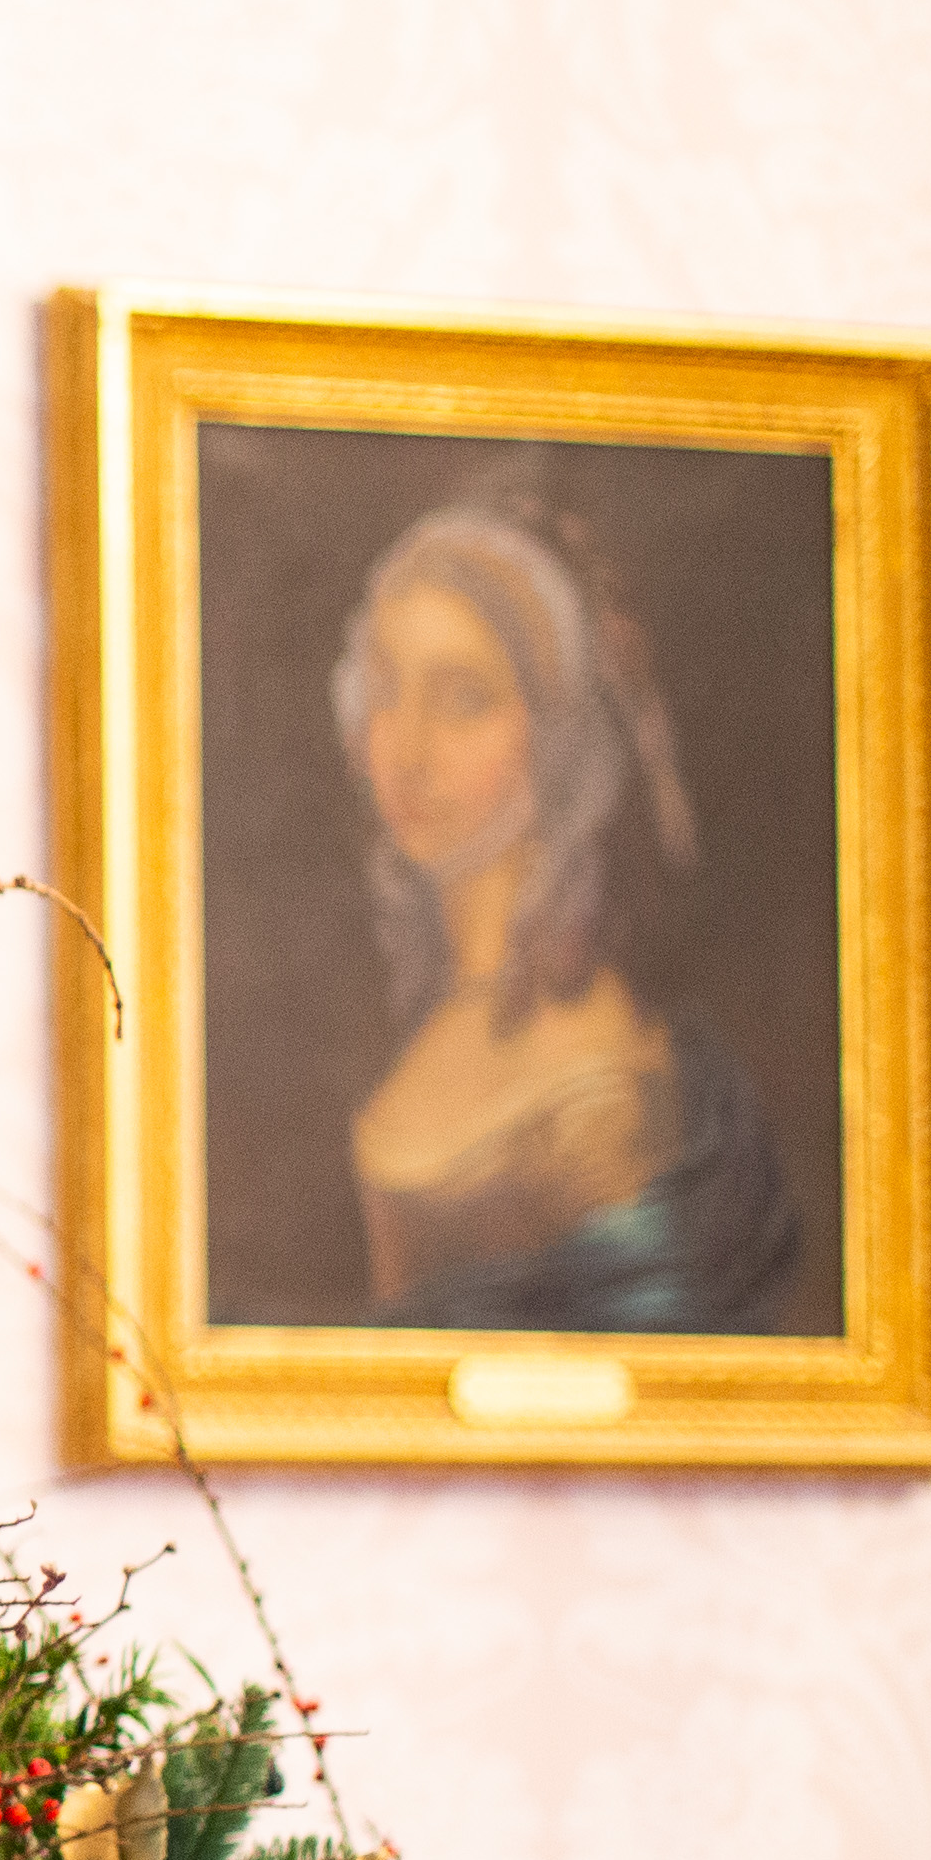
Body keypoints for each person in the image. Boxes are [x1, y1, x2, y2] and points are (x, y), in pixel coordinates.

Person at [326, 500, 801, 1331]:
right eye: (387, 689)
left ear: (556, 734)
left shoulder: (598, 1088)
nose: (406, 749)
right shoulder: (439, 1017)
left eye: (464, 698)